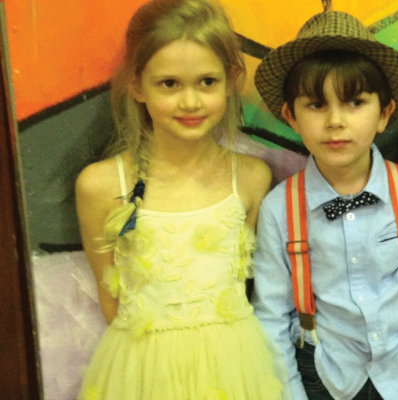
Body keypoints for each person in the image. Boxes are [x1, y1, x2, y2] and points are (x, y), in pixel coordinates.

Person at [74, 0, 288, 398]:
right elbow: (111, 298)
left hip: (235, 370)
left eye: (206, 82)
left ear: (231, 80)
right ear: (137, 84)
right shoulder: (100, 186)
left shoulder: (252, 179)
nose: (190, 102)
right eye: (169, 84)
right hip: (142, 373)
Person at [251, 10, 398, 400]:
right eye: (316, 105)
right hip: (322, 375)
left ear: (384, 114)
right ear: (291, 116)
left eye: (355, 102)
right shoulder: (280, 208)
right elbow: (271, 317)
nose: (335, 121)